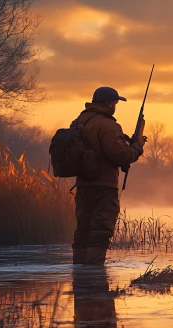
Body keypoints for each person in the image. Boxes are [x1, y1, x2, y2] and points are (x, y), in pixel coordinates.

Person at [71, 86, 146, 265]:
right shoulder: (108, 125)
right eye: (115, 103)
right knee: (100, 231)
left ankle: (80, 278)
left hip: (83, 187)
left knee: (83, 230)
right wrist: (137, 145)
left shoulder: (79, 121)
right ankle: (94, 277)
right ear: (109, 103)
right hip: (104, 187)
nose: (115, 106)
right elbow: (121, 156)